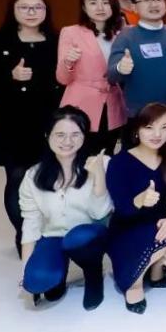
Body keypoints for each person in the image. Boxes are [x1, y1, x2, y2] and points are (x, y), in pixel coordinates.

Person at [0, 0, 63, 256]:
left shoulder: (58, 40)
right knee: (17, 177)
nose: (31, 12)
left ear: (46, 11)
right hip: (11, 120)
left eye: (37, 7)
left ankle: (51, 231)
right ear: (13, 11)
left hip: (50, 120)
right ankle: (24, 233)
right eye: (24, 7)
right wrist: (10, 75)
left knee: (51, 176)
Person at [106, 103, 166, 314]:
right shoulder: (120, 162)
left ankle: (156, 266)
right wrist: (139, 200)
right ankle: (134, 284)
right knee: (157, 244)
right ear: (137, 129)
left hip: (160, 221)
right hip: (127, 226)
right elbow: (121, 206)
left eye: (164, 127)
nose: (157, 134)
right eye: (149, 127)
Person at [19, 107, 111, 310]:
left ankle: (93, 274)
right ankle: (58, 273)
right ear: (48, 136)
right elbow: (31, 223)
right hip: (54, 235)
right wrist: (26, 268)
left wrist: (98, 176)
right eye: (60, 135)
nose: (67, 141)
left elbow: (100, 213)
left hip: (90, 235)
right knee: (36, 281)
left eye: (75, 134)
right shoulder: (33, 175)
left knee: (77, 238)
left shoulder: (101, 163)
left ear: (84, 136)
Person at [107, 0, 166, 131]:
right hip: (139, 115)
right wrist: (120, 68)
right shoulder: (126, 36)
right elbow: (111, 76)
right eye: (146, 0)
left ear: (165, 5)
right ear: (134, 7)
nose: (153, 4)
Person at [56, 0, 127, 155]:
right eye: (93, 3)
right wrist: (68, 61)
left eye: (105, 3)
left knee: (106, 154)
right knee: (79, 155)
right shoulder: (71, 32)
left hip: (113, 102)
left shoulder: (123, 33)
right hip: (81, 103)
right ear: (84, 7)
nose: (100, 8)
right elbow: (62, 79)